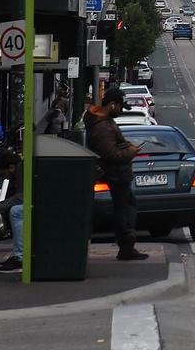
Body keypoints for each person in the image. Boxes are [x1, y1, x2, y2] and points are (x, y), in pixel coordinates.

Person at [85, 88, 147, 261]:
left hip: (118, 175)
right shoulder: (102, 127)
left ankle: (127, 243)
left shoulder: (105, 121)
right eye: (120, 107)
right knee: (125, 208)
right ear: (112, 105)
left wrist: (126, 145)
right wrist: (131, 152)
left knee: (127, 205)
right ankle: (126, 242)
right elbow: (111, 155)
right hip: (116, 174)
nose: (120, 111)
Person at [0, 149, 23, 273]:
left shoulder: (21, 172)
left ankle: (20, 258)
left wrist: (0, 206)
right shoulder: (20, 169)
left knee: (16, 212)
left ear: (11, 167)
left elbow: (22, 197)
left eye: (3, 173)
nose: (3, 177)